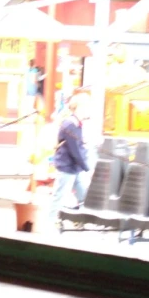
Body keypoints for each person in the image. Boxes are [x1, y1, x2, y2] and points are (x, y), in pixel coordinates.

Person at [48, 93, 91, 225]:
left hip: (74, 166)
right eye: (86, 107)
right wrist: (86, 166)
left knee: (83, 194)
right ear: (78, 107)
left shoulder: (75, 124)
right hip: (68, 166)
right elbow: (75, 149)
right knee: (60, 195)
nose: (88, 110)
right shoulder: (70, 124)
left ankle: (81, 219)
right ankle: (51, 220)